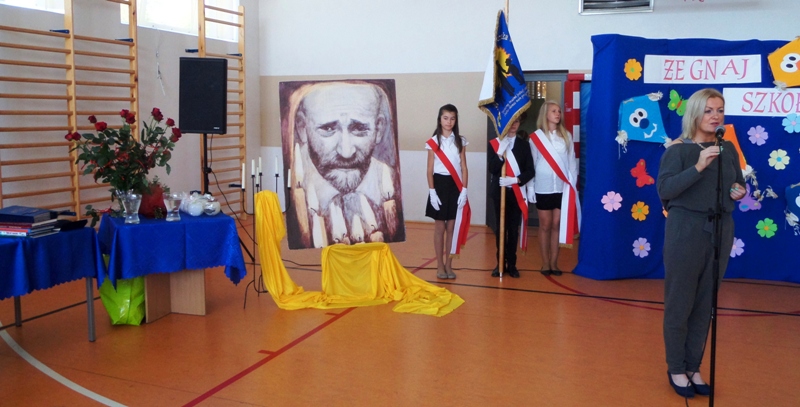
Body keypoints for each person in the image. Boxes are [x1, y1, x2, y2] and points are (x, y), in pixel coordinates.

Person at [657, 88, 746, 398]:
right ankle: (676, 367)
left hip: (720, 229)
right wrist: (698, 166)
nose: (715, 116)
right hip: (686, 230)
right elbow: (666, 190)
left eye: (719, 110)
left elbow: (738, 183)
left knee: (705, 304)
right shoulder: (678, 150)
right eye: (709, 110)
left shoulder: (728, 148)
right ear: (695, 114)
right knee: (680, 303)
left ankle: (693, 366)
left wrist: (738, 191)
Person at [286, 81, 404, 249]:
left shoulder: (392, 185)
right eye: (328, 129)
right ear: (302, 127)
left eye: (359, 128)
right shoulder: (293, 191)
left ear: (378, 128)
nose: (346, 152)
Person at [528, 101, 579, 276]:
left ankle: (554, 263)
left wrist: (572, 184)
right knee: (545, 225)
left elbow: (571, 162)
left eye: (559, 111)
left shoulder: (566, 136)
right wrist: (530, 187)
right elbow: (532, 163)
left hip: (562, 187)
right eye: (553, 111)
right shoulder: (536, 138)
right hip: (543, 187)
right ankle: (545, 263)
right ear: (546, 114)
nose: (558, 114)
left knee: (557, 224)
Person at [425, 104, 469, 279]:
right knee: (440, 227)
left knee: (452, 227)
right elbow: (429, 169)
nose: (449, 122)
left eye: (452, 118)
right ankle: (439, 265)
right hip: (439, 186)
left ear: (456, 120)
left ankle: (449, 265)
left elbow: (464, 167)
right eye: (445, 118)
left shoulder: (460, 141)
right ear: (439, 119)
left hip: (455, 186)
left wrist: (464, 189)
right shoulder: (433, 142)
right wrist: (432, 192)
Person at [488, 118, 534, 278]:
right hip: (499, 192)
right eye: (510, 122)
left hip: (516, 192)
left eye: (517, 121)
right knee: (500, 229)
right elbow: (492, 168)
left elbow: (530, 170)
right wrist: (500, 154)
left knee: (513, 229)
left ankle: (512, 264)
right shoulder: (494, 144)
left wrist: (515, 180)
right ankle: (499, 263)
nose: (513, 125)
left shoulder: (524, 145)